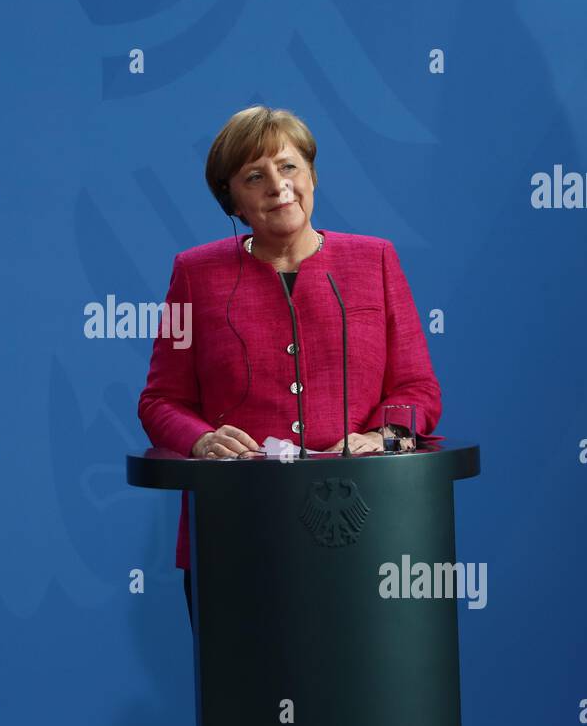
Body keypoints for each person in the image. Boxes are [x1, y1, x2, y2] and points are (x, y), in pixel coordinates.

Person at [136, 106, 442, 620]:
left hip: (366, 526)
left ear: (313, 175)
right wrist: (201, 440)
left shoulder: (377, 260)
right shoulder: (192, 273)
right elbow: (160, 400)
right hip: (236, 531)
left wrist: (385, 434)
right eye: (255, 176)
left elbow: (418, 389)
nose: (278, 186)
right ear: (231, 198)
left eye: (289, 166)